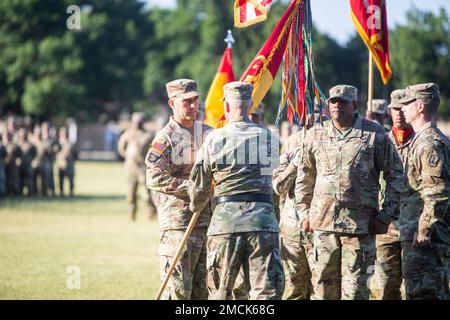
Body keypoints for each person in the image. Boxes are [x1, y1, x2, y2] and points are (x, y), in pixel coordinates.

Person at [294, 84, 403, 300]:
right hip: (323, 226)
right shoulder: (315, 134)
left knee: (355, 292)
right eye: (333, 102)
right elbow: (304, 176)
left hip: (360, 227)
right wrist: (304, 212)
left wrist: (386, 214)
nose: (337, 106)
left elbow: (396, 175)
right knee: (323, 290)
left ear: (354, 104)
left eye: (343, 101)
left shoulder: (374, 134)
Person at [189, 81, 284, 300]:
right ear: (250, 105)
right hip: (263, 221)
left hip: (225, 222)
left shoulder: (214, 139)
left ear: (227, 107)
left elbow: (199, 186)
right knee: (265, 292)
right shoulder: (269, 138)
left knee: (221, 292)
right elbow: (278, 183)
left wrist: (196, 204)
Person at [146, 79, 212, 300]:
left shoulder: (209, 134)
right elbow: (153, 176)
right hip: (178, 226)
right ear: (172, 103)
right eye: (186, 102)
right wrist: (192, 189)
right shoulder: (165, 139)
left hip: (208, 224)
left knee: (203, 292)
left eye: (195, 101)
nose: (193, 106)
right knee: (179, 292)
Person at [397, 83, 450, 299]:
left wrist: (424, 229)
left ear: (420, 106)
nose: (402, 109)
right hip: (422, 235)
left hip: (425, 240)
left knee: (424, 293)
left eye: (407, 103)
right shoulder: (428, 139)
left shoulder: (428, 144)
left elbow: (438, 191)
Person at [117, 112, 156, 220]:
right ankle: (131, 214)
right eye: (135, 121)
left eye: (139, 121)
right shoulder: (127, 134)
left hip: (143, 168)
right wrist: (129, 157)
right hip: (130, 168)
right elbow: (121, 148)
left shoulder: (148, 135)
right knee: (130, 194)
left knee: (147, 194)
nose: (137, 124)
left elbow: (154, 151)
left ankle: (151, 213)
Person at [55, 126, 77, 196]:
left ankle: (71, 191)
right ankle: (61, 192)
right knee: (60, 179)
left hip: (69, 164)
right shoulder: (57, 143)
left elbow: (76, 153)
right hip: (61, 165)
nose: (64, 135)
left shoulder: (71, 143)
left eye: (65, 133)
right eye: (63, 133)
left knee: (71, 179)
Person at [17, 128, 37, 196]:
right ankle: (20, 192)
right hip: (20, 166)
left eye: (24, 135)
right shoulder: (17, 145)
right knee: (20, 180)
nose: (23, 137)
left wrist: (32, 161)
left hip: (28, 165)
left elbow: (35, 154)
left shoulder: (31, 145)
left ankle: (30, 193)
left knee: (29, 180)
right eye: (21, 135)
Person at [2, 132, 22, 196]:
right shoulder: (2, 146)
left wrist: (18, 160)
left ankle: (15, 192)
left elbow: (20, 155)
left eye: (7, 137)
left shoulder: (14, 146)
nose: (6, 139)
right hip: (3, 167)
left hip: (12, 166)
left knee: (13, 181)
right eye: (5, 137)